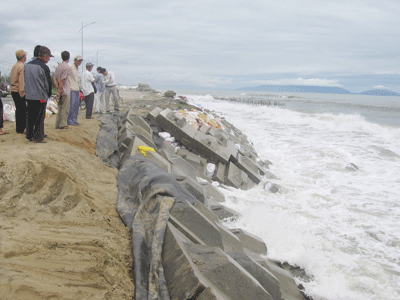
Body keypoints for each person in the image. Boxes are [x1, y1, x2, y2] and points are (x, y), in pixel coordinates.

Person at [24, 46, 53, 143]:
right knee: (40, 117)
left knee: (31, 115)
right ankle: (38, 137)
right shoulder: (44, 67)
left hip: (29, 95)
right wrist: (48, 94)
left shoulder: (27, 65)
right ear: (44, 56)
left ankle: (29, 134)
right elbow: (48, 83)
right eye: (49, 57)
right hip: (40, 96)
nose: (49, 59)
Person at [10, 49, 27, 134]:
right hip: (18, 90)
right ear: (24, 57)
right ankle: (22, 128)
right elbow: (21, 81)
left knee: (19, 110)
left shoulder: (14, 66)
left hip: (13, 90)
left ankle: (18, 128)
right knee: (22, 110)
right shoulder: (22, 66)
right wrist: (22, 92)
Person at [54, 51, 71, 129]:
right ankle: (63, 124)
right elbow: (63, 79)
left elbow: (55, 78)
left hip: (60, 89)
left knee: (60, 107)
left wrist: (58, 88)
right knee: (65, 108)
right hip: (65, 90)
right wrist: (60, 90)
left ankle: (58, 124)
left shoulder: (59, 66)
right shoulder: (66, 67)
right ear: (69, 57)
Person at [67, 55, 83, 126]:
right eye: (79, 60)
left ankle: (75, 120)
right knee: (72, 105)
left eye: (81, 61)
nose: (80, 62)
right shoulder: (70, 67)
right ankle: (70, 120)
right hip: (71, 88)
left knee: (76, 106)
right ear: (75, 60)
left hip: (77, 88)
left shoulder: (77, 69)